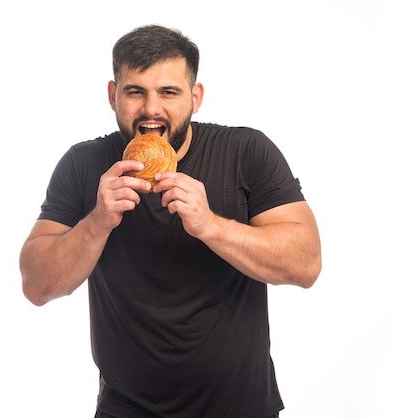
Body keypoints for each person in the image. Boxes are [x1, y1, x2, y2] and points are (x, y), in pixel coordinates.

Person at [19, 24, 322, 418]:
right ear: (113, 95)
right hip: (124, 409)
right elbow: (36, 285)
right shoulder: (85, 164)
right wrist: (97, 222)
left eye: (168, 92)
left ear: (195, 97)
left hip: (240, 409)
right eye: (135, 91)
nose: (151, 109)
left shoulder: (246, 152)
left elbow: (306, 264)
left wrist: (210, 224)